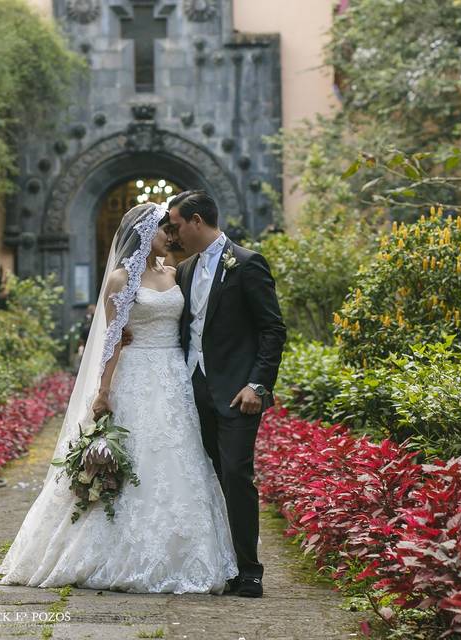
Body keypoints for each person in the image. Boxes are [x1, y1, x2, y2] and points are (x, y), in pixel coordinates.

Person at [0, 202, 238, 595]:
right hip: (135, 375)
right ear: (143, 234)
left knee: (180, 459)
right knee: (134, 458)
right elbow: (111, 341)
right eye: (163, 231)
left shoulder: (176, 272)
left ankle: (185, 552)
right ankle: (107, 551)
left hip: (173, 376)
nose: (170, 237)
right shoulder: (121, 281)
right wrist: (103, 392)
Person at [164, 189, 287, 598]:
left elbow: (273, 329)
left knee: (236, 475)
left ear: (197, 221)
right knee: (203, 478)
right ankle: (219, 562)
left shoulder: (248, 264)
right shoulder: (184, 270)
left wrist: (257, 384)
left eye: (177, 224)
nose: (173, 232)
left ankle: (250, 571)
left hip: (238, 394)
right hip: (191, 388)